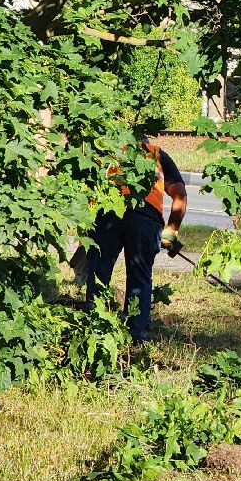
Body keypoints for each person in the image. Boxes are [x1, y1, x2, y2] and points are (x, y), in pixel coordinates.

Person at [86, 138, 187, 342]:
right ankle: (135, 336)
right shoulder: (157, 154)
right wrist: (172, 230)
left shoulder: (108, 153)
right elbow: (180, 195)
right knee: (140, 278)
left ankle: (93, 329)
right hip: (145, 222)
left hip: (108, 216)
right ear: (145, 141)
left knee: (98, 273)